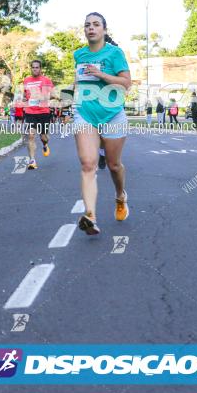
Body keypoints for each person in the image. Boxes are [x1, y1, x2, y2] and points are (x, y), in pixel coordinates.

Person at [72, 12, 131, 236]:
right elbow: (78, 80)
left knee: (114, 166)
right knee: (88, 164)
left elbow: (126, 83)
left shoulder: (115, 54)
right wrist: (71, 101)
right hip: (85, 114)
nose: (91, 28)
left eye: (96, 24)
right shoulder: (79, 54)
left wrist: (102, 74)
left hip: (112, 115)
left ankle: (120, 196)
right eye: (87, 25)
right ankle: (91, 216)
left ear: (104, 30)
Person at [22, 59, 54, 169]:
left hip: (43, 112)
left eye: (37, 67)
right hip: (30, 112)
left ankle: (45, 145)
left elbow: (52, 95)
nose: (35, 69)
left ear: (40, 69)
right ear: (31, 68)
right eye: (33, 67)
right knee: (30, 136)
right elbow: (25, 95)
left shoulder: (46, 80)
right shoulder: (26, 81)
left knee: (44, 136)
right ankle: (32, 160)